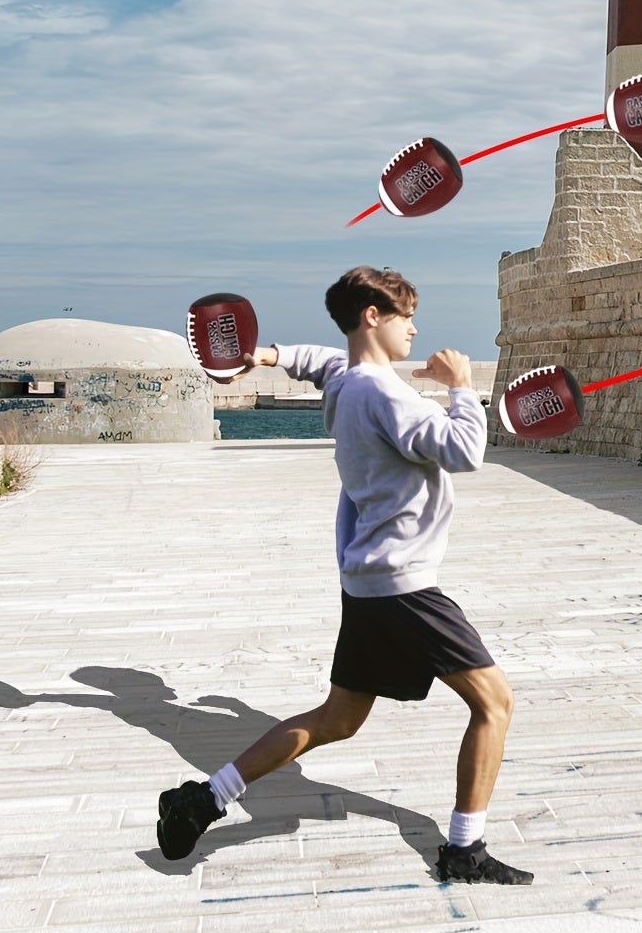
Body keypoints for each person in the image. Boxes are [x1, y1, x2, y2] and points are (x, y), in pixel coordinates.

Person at [155, 265, 532, 885]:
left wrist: (267, 355)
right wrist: (462, 388)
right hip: (405, 583)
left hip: (367, 583)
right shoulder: (384, 395)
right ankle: (465, 850)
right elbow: (465, 452)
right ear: (372, 316)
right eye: (407, 316)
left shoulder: (348, 381)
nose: (415, 329)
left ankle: (204, 797)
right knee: (494, 703)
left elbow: (322, 359)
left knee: (338, 720)